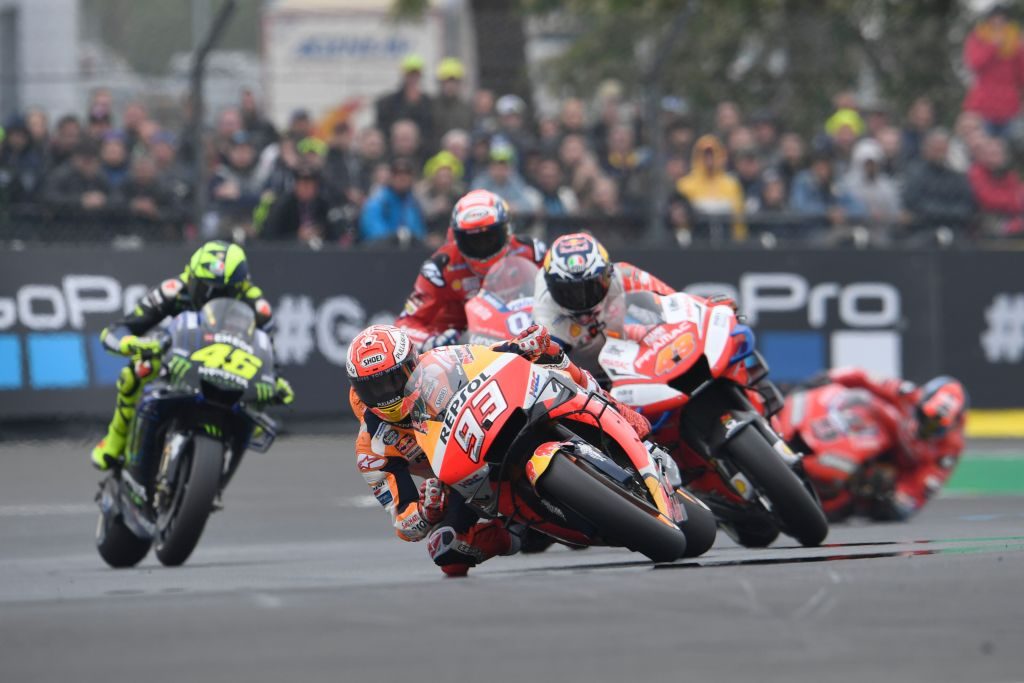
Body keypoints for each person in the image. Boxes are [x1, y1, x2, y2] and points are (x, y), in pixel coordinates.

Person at [346, 322, 653, 576]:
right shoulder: (371, 448)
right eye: (372, 388)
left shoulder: (440, 362)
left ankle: (617, 411)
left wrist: (523, 344)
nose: (386, 395)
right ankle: (514, 533)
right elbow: (403, 522)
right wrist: (427, 510)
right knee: (446, 552)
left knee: (548, 354)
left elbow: (492, 354)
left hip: (493, 421)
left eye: (392, 380)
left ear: (412, 364)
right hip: (462, 480)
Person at [90, 241, 294, 470]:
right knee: (137, 370)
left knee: (257, 413)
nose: (212, 297)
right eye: (205, 288)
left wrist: (275, 381)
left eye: (224, 292)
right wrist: (133, 343)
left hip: (229, 368)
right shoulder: (173, 290)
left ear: (240, 286)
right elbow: (120, 329)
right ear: (192, 276)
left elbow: (268, 353)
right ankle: (116, 438)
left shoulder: (256, 305)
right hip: (179, 357)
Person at [790, 369, 967, 521]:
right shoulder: (907, 393)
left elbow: (920, 490)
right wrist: (827, 378)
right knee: (863, 400)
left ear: (953, 425)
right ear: (921, 401)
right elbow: (863, 377)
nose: (926, 428)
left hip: (889, 472)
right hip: (873, 434)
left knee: (859, 502)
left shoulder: (949, 450)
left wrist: (895, 498)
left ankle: (817, 500)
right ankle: (804, 428)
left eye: (935, 427)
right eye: (925, 418)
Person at [395, 188, 545, 350]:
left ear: (507, 230)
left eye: (490, 237)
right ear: (456, 238)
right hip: (460, 350)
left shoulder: (531, 250)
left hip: (521, 341)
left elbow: (555, 291)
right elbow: (405, 323)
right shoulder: (439, 269)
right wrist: (431, 342)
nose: (482, 246)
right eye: (472, 240)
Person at [531, 232, 674, 374]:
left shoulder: (622, 274)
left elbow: (673, 299)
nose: (582, 299)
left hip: (627, 346)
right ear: (551, 287)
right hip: (584, 366)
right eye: (570, 291)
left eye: (590, 287)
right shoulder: (545, 314)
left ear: (608, 273)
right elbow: (546, 370)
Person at [963, 4, 1024, 134]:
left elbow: (1021, 74)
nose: (998, 22)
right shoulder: (978, 37)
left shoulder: (1015, 42)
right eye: (995, 19)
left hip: (1009, 107)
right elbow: (974, 64)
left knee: (1010, 145)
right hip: (983, 107)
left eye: (1002, 19)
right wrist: (993, 46)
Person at [902, 128, 976, 234]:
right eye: (935, 148)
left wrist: (942, 212)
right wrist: (946, 212)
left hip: (955, 229)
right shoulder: (914, 173)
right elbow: (914, 204)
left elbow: (966, 206)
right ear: (926, 149)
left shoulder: (957, 175)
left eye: (942, 148)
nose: (939, 153)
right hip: (921, 230)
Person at [676, 134, 747, 241]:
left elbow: (738, 219)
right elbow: (681, 220)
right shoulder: (685, 185)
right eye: (705, 155)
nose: (709, 159)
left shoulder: (731, 184)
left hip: (726, 240)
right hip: (696, 240)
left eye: (712, 154)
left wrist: (740, 241)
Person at [358, 157, 427, 244]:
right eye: (397, 174)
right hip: (381, 251)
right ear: (390, 177)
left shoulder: (413, 204)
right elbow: (374, 234)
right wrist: (397, 238)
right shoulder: (377, 202)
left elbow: (420, 233)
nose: (402, 178)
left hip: (409, 250)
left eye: (407, 173)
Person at [376, 54, 434, 144]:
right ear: (404, 75)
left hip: (422, 149)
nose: (413, 77)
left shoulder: (428, 102)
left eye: (416, 74)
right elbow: (382, 129)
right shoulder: (388, 103)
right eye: (410, 74)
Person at [431, 58, 474, 151]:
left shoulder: (467, 109)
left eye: (454, 81)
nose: (450, 85)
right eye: (447, 81)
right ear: (441, 83)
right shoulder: (431, 106)